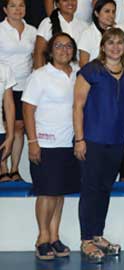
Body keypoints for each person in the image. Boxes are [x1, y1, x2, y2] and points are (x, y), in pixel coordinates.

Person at [73, 28, 124, 263]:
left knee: (104, 189)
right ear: (103, 46)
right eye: (111, 42)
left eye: (120, 43)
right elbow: (77, 106)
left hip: (117, 141)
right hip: (92, 140)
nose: (115, 47)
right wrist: (80, 139)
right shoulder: (90, 70)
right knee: (90, 189)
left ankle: (98, 234)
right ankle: (86, 239)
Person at [22, 33, 78, 261]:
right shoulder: (40, 75)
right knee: (47, 193)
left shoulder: (76, 75)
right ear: (50, 50)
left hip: (68, 143)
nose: (64, 50)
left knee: (59, 192)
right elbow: (27, 109)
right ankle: (42, 238)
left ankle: (54, 236)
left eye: (68, 46)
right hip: (45, 143)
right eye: (58, 46)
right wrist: (33, 142)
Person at [0, 0, 35, 181]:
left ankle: (14, 169)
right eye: (13, 5)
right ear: (5, 9)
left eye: (21, 5)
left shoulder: (32, 30)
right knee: (5, 126)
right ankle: (2, 167)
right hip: (3, 85)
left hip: (25, 84)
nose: (18, 9)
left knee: (20, 127)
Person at [33, 0, 86, 69]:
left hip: (75, 73)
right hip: (51, 74)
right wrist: (40, 75)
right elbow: (39, 53)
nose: (70, 3)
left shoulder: (84, 26)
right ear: (57, 4)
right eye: (65, 0)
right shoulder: (47, 23)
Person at [78, 0, 116, 66]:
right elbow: (83, 64)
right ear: (96, 13)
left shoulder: (115, 33)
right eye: (107, 11)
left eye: (113, 12)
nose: (111, 15)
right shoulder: (87, 34)